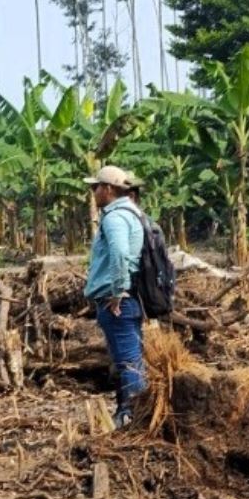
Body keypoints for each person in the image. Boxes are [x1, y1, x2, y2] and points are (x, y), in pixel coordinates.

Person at [84, 164, 146, 427]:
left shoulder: (115, 217)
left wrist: (118, 291)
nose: (94, 192)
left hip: (120, 301)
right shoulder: (132, 214)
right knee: (127, 359)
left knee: (128, 362)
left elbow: (120, 253)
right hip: (128, 299)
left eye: (96, 187)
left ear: (108, 189)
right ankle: (126, 413)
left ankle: (134, 418)